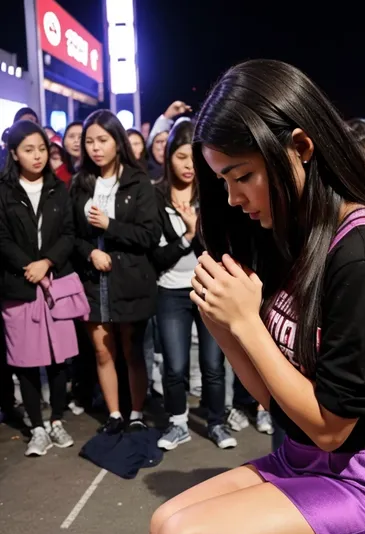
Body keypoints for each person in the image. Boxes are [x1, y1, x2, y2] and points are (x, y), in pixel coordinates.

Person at [150, 59, 365, 534]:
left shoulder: (360, 255)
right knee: (164, 526)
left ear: (300, 146)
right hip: (308, 460)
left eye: (242, 175)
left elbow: (332, 427)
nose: (232, 197)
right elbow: (268, 394)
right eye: (222, 179)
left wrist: (246, 324)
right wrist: (223, 322)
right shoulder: (291, 231)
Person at [152, 119, 236, 450]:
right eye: (180, 157)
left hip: (208, 287)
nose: (188, 166)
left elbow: (220, 248)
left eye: (193, 158)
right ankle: (177, 423)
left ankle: (216, 422)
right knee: (174, 365)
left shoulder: (214, 193)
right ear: (168, 157)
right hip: (169, 290)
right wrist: (186, 233)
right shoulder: (156, 195)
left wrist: (196, 229)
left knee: (213, 364)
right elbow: (156, 256)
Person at [71, 110, 158, 433]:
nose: (96, 148)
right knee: (102, 350)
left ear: (117, 142)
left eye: (103, 140)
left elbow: (149, 234)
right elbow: (72, 234)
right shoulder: (81, 183)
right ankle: (114, 414)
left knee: (131, 351)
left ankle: (136, 413)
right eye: (90, 141)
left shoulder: (138, 182)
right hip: (94, 281)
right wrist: (90, 251)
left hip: (130, 278)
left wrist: (110, 226)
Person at [0, 121, 77, 455]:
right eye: (29, 149)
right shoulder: (4, 191)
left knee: (58, 360)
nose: (37, 156)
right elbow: (1, 237)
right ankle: (37, 426)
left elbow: (70, 234)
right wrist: (27, 265)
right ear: (14, 153)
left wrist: (47, 261)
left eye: (42, 149)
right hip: (18, 288)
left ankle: (56, 420)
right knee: (26, 362)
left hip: (54, 285)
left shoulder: (57, 188)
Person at [147, 101, 192, 181]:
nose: (164, 146)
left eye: (167, 142)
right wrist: (167, 116)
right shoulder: (143, 177)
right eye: (159, 142)